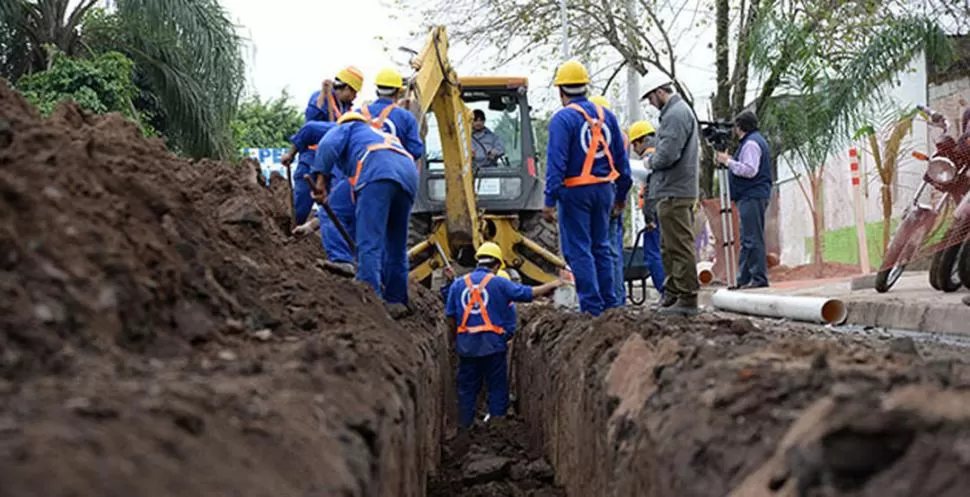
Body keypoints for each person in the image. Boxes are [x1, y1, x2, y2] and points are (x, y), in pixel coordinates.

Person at [312, 67, 426, 268]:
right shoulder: (405, 117)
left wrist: (322, 181)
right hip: (398, 178)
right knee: (386, 234)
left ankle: (343, 259)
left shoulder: (357, 114)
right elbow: (415, 151)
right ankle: (379, 279)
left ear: (376, 91)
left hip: (360, 176)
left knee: (338, 214)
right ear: (398, 92)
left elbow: (330, 144)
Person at [544, 60, 632, 316]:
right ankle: (611, 306)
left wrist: (549, 200)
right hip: (605, 189)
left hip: (575, 191)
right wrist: (622, 194)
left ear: (561, 91)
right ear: (584, 87)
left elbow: (556, 162)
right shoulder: (607, 117)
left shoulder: (563, 119)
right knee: (601, 246)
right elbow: (621, 160)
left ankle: (592, 308)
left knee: (580, 249)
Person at [445, 242, 563, 431]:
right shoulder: (499, 282)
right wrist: (552, 284)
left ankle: (464, 429)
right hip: (493, 346)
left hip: (467, 347)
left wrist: (454, 342)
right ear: (498, 264)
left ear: (478, 261)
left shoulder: (458, 285)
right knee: (497, 389)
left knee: (467, 390)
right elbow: (528, 293)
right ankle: (498, 430)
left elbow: (450, 318)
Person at [311, 112, 418, 306]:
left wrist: (320, 181)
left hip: (378, 171)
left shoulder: (347, 128)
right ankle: (396, 301)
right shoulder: (377, 134)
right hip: (408, 174)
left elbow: (327, 145)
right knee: (396, 245)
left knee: (369, 242)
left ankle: (371, 299)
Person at [640, 72, 700, 316]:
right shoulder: (675, 113)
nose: (651, 103)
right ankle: (674, 292)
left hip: (676, 190)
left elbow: (667, 155)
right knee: (669, 246)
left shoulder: (676, 115)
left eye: (651, 98)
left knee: (679, 245)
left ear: (660, 92)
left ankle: (686, 297)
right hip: (673, 190)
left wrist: (649, 162)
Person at [716, 110, 773, 290]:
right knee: (749, 237)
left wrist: (728, 162)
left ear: (740, 127)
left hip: (752, 194)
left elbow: (750, 170)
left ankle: (757, 277)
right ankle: (744, 277)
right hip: (752, 195)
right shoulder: (755, 142)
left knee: (752, 237)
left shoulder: (751, 144)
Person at [589, 95, 628, 306]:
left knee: (604, 249)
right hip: (614, 193)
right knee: (612, 249)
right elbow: (625, 171)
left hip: (604, 192)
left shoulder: (599, 135)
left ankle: (609, 300)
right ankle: (617, 300)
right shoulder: (618, 135)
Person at [629, 120, 666, 303]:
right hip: (666, 210)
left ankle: (664, 292)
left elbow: (651, 191)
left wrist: (648, 217)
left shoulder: (648, 161)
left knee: (653, 254)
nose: (634, 150)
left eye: (634, 145)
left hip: (655, 214)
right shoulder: (662, 153)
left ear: (640, 141)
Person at [280, 121, 337, 225]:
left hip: (332, 173)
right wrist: (290, 154)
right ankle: (290, 229)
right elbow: (308, 129)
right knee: (301, 205)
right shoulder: (327, 129)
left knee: (334, 205)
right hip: (309, 166)